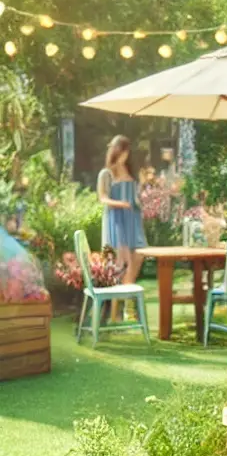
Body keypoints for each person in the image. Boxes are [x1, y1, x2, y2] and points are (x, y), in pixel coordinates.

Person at [97, 135, 147, 320]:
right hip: (116, 220)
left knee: (138, 256)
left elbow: (137, 195)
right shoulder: (106, 173)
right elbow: (102, 198)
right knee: (120, 263)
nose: (125, 155)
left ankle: (125, 301)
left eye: (126, 151)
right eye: (122, 150)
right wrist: (121, 204)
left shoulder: (131, 171)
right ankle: (119, 309)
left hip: (133, 219)